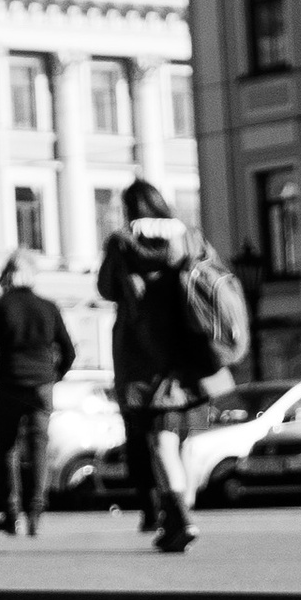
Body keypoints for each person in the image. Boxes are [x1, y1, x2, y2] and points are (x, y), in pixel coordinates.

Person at [97, 178, 217, 553]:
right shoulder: (188, 236)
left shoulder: (122, 242)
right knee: (181, 439)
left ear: (131, 208)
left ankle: (179, 517)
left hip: (144, 356)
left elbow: (106, 289)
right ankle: (175, 514)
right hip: (189, 352)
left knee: (160, 440)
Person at [0, 250, 77, 536]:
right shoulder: (48, 307)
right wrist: (54, 376)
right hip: (41, 387)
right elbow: (68, 351)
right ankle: (35, 512)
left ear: (7, 275)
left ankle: (11, 512)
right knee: (38, 448)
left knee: (8, 449)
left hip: (9, 384)